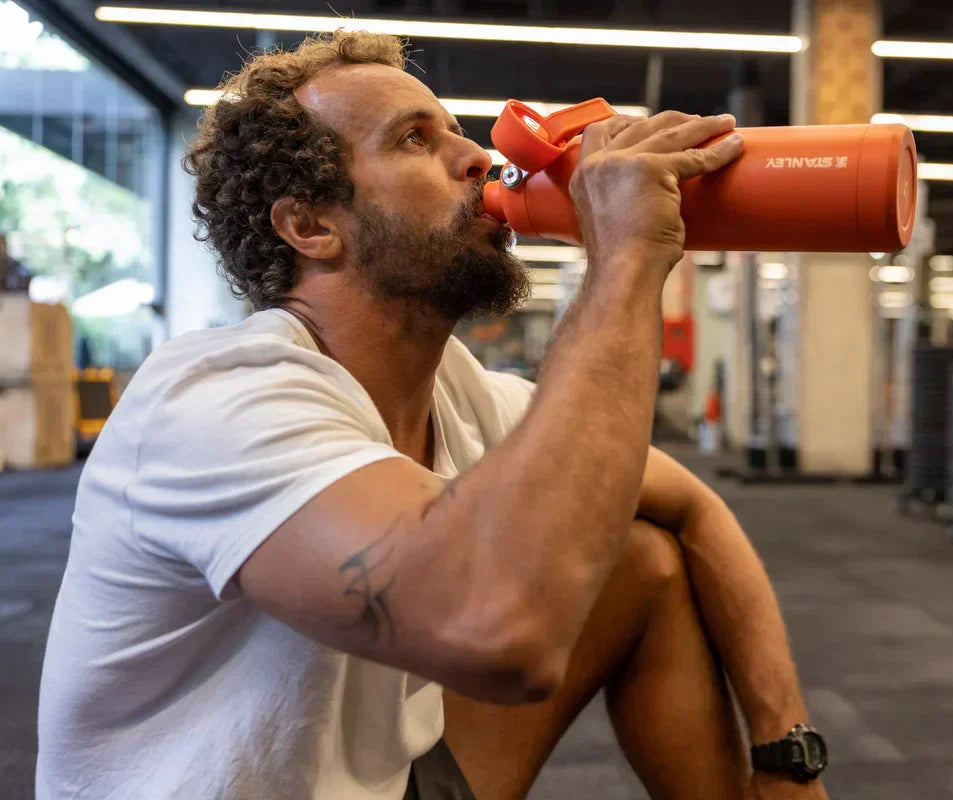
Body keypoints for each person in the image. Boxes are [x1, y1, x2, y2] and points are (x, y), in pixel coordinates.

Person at [36, 30, 829, 800]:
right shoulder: (217, 399)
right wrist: (623, 262)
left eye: (455, 130)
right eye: (416, 140)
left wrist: (785, 755)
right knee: (528, 584)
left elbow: (698, 508)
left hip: (392, 784)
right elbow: (503, 632)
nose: (476, 156)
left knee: (645, 558)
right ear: (310, 225)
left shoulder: (462, 389)